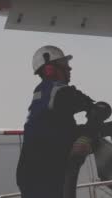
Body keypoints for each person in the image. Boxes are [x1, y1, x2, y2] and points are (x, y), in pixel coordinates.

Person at [16, 45, 96, 198]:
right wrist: (94, 108)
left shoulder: (43, 99)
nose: (69, 69)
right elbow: (74, 99)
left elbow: (60, 131)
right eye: (65, 65)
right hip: (45, 175)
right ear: (50, 70)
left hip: (36, 173)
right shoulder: (54, 91)